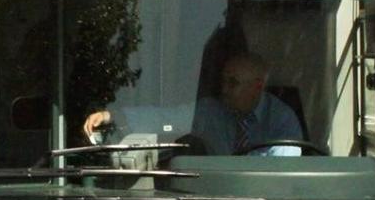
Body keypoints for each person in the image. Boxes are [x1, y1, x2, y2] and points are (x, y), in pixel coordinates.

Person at [83, 53, 303, 155]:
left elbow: (280, 174)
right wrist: (112, 116)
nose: (224, 89)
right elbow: (166, 118)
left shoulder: (282, 121)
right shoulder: (210, 111)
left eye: (233, 83)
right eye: (224, 81)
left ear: (257, 87)